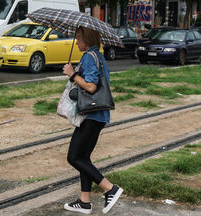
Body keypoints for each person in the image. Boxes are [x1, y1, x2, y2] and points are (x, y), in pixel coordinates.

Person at [62, 27, 123, 215]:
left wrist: (72, 74)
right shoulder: (98, 55)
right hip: (99, 115)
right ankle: (85, 201)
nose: (77, 41)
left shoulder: (89, 56)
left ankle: (109, 188)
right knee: (83, 157)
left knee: (73, 157)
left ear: (87, 39)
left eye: (79, 38)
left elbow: (90, 86)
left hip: (91, 115)